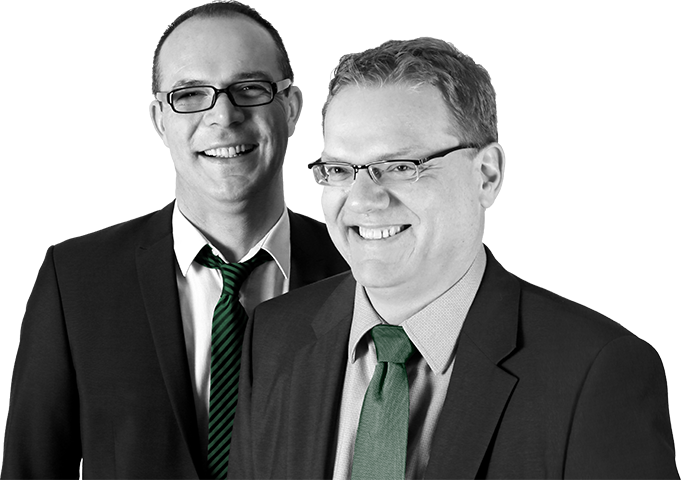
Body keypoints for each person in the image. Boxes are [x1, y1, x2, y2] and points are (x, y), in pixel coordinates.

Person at [229, 37, 679, 479]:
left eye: (402, 166)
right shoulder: (274, 337)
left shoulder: (596, 371)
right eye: (339, 169)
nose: (363, 200)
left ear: (486, 175)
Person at [1, 3, 347, 479]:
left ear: (289, 104)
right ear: (159, 117)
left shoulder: (358, 271)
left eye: (249, 87)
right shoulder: (77, 279)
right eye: (190, 94)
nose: (223, 116)